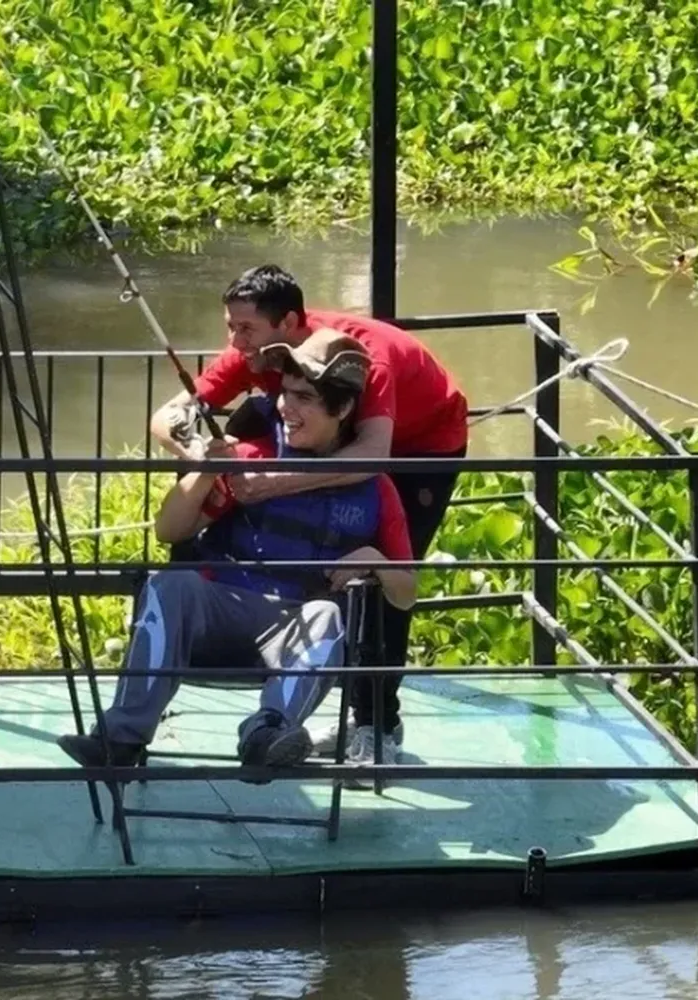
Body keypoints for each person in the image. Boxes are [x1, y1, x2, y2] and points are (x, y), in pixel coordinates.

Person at [59, 330, 417, 780]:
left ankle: (267, 736)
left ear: (343, 409)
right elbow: (169, 530)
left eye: (304, 397)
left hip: (294, 628)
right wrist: (204, 473)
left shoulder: (376, 490)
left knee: (329, 615)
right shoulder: (250, 456)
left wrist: (376, 559)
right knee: (168, 582)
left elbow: (406, 595)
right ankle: (120, 740)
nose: (287, 408)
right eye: (285, 393)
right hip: (217, 612)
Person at [149, 264, 468, 766]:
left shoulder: (365, 358)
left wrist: (271, 482)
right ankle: (285, 673)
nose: (235, 341)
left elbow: (374, 455)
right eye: (230, 327)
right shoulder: (258, 347)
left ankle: (376, 724)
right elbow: (170, 414)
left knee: (380, 582)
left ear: (289, 322)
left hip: (415, 447)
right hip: (342, 440)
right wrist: (202, 462)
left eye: (245, 329)